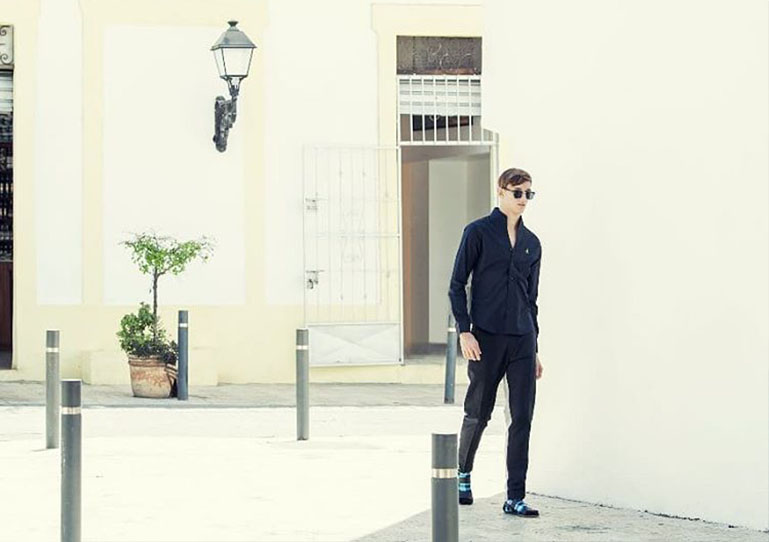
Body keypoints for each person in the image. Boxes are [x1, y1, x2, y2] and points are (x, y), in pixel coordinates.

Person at [448, 167, 544, 517]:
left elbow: (531, 299)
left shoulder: (532, 243)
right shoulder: (477, 232)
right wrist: (465, 330)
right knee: (479, 412)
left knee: (522, 417)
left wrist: (535, 349)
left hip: (522, 340)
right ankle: (463, 473)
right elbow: (457, 284)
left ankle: (514, 496)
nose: (523, 199)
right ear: (501, 192)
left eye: (528, 194)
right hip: (485, 338)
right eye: (517, 192)